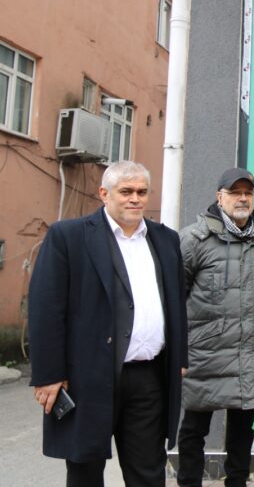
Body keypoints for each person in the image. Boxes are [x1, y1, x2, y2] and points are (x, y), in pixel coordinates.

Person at [28, 161, 187, 487]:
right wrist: (48, 374)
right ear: (104, 193)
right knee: (85, 471)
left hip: (148, 378)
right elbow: (46, 308)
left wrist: (179, 358)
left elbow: (175, 304)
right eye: (126, 191)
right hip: (87, 376)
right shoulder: (69, 236)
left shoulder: (165, 239)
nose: (135, 199)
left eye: (142, 192)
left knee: (148, 471)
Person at [176, 168, 254, 487]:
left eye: (248, 192)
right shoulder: (194, 238)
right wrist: (177, 350)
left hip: (249, 349)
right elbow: (174, 298)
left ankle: (237, 482)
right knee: (194, 429)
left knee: (242, 430)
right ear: (219, 197)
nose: (243, 198)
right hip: (203, 352)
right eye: (235, 192)